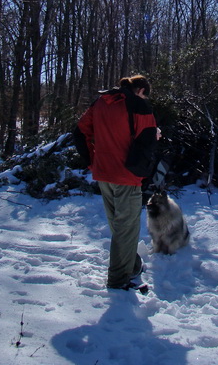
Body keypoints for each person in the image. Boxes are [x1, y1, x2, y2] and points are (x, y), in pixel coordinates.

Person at [75, 75, 159, 290]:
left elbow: (80, 131)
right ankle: (118, 280)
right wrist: (154, 137)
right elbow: (146, 141)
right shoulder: (139, 105)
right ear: (140, 90)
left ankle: (132, 267)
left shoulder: (101, 102)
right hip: (126, 176)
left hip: (103, 173)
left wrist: (91, 162)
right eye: (145, 94)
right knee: (126, 229)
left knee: (119, 227)